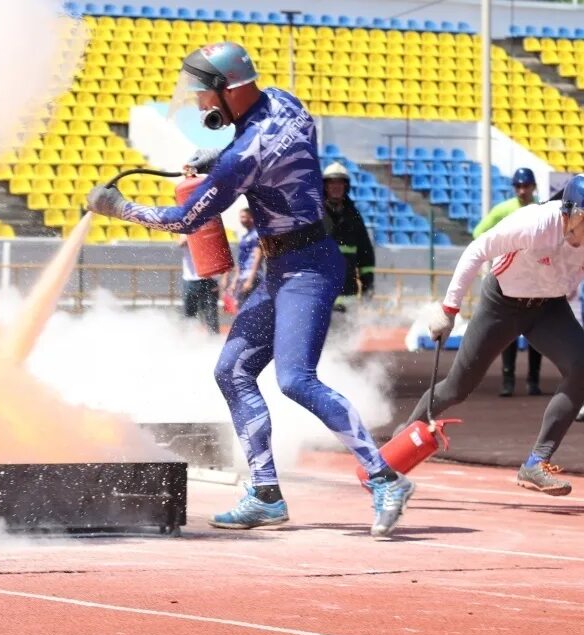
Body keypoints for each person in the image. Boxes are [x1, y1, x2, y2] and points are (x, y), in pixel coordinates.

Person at [86, 42, 415, 537]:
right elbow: (271, 149)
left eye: (203, 94)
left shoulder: (243, 156)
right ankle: (265, 493)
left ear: (228, 90)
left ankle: (386, 478)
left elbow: (185, 220)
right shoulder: (284, 100)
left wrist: (121, 208)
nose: (199, 105)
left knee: (295, 380)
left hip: (306, 270)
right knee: (232, 370)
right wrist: (221, 156)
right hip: (286, 266)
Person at [403, 173, 584, 496]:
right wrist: (449, 311)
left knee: (582, 366)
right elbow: (477, 250)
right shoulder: (535, 223)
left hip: (548, 308)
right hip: (502, 304)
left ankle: (536, 462)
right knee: (457, 388)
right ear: (566, 211)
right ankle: (398, 448)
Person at [473, 168, 543, 396]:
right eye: (518, 186)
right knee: (510, 329)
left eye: (526, 186)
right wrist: (499, 249)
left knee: (535, 329)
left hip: (536, 279)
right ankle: (508, 379)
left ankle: (533, 380)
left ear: (533, 187)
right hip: (509, 278)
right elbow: (479, 232)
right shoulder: (503, 210)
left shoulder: (542, 208)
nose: (522, 191)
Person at [322, 162, 375, 302]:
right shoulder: (316, 216)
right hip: (320, 295)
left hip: (348, 295)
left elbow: (366, 254)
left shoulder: (353, 216)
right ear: (325, 186)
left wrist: (368, 286)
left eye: (340, 183)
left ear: (346, 186)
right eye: (332, 183)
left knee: (348, 325)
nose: (336, 187)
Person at [179, 234, 220, 334]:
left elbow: (220, 249)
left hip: (209, 279)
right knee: (189, 314)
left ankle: (213, 341)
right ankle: (189, 340)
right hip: (190, 279)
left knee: (211, 314)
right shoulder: (187, 228)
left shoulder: (210, 225)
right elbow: (181, 243)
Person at [227, 207, 263, 310]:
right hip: (243, 277)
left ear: (251, 218)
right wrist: (234, 281)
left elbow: (258, 257)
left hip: (252, 276)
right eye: (240, 217)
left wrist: (250, 280)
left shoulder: (256, 234)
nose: (241, 220)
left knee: (250, 308)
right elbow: (241, 260)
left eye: (243, 217)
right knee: (240, 307)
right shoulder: (245, 236)